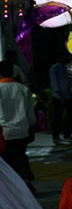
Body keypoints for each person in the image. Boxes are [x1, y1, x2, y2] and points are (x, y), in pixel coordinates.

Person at [0, 59, 36, 190]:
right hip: (22, 130)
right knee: (20, 156)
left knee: (8, 162)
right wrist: (31, 126)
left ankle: (15, 186)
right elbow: (30, 114)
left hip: (4, 132)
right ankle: (24, 180)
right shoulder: (23, 89)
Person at [49, 53, 72, 144]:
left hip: (67, 95)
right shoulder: (55, 68)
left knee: (70, 115)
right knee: (57, 117)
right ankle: (56, 136)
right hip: (58, 96)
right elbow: (54, 82)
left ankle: (67, 135)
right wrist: (59, 94)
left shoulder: (66, 68)